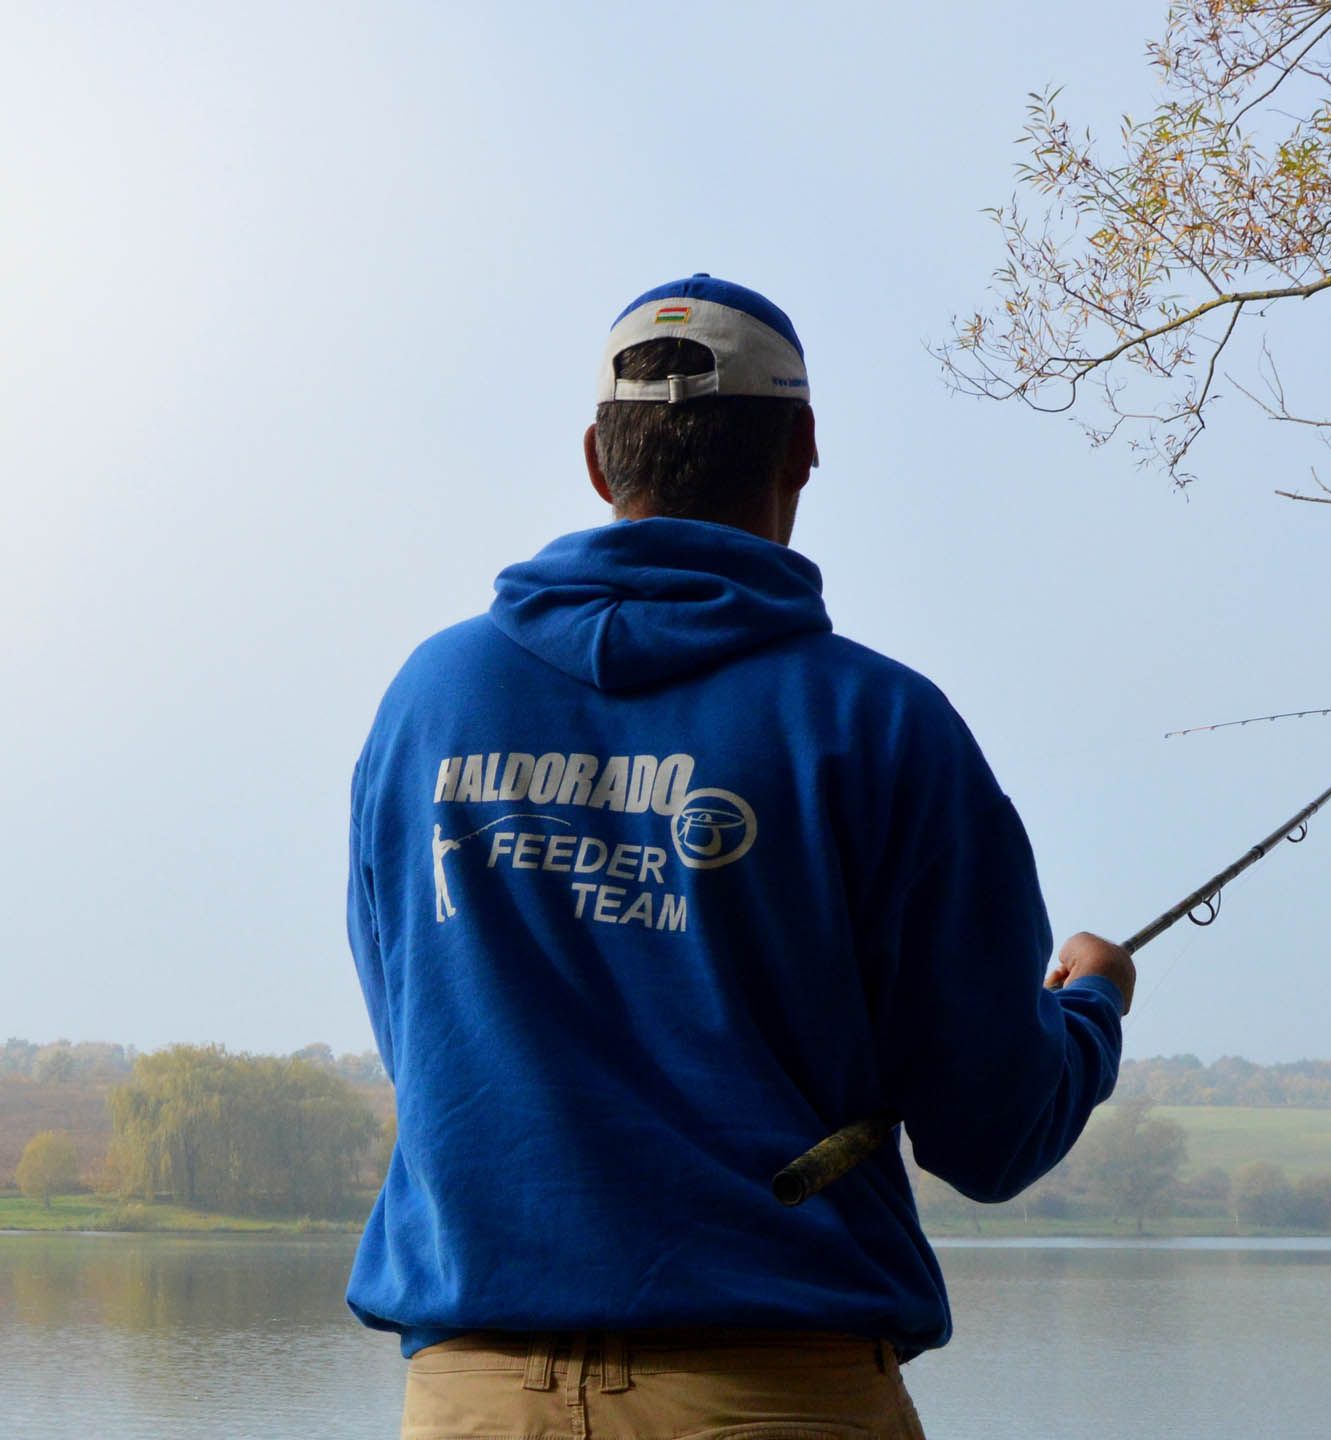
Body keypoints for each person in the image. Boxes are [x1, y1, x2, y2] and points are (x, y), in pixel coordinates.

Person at [345, 274, 1136, 1439]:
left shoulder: (430, 701)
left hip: (473, 1399)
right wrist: (1092, 1010)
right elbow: (994, 1130)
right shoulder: (881, 725)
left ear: (599, 461)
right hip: (776, 1395)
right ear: (803, 448)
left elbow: (418, 1027)